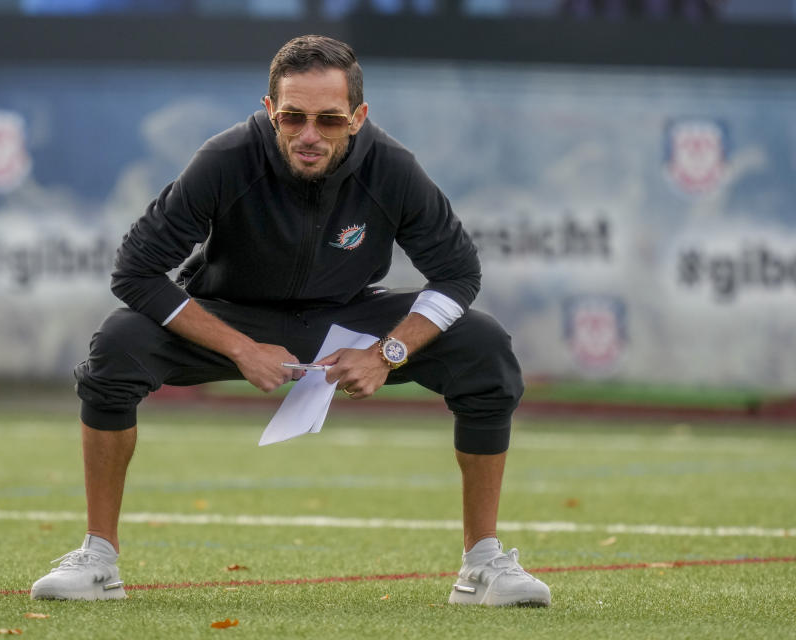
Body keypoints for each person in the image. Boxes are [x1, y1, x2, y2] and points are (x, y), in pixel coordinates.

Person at [30, 34, 551, 607]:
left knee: (484, 345)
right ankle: (98, 559)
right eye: (292, 117)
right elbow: (135, 272)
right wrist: (238, 346)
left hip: (349, 318)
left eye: (328, 120)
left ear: (358, 117)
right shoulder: (224, 160)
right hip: (234, 314)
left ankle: (482, 565)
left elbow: (458, 276)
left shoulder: (393, 168)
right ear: (268, 110)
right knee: (118, 343)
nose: (308, 136)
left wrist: (386, 353)